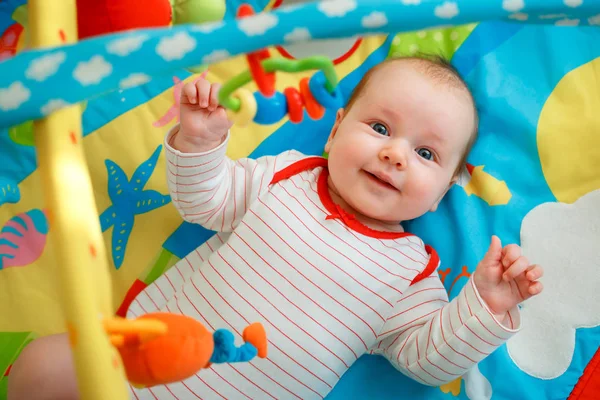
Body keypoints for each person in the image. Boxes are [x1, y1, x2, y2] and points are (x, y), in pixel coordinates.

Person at [8, 56, 544, 400]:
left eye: (425, 153)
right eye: (380, 127)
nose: (393, 154)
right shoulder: (286, 175)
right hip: (136, 363)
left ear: (445, 190)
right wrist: (198, 143)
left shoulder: (410, 271)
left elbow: (425, 360)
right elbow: (204, 202)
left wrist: (487, 305)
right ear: (334, 132)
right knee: (38, 366)